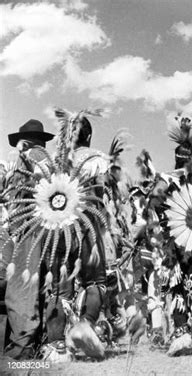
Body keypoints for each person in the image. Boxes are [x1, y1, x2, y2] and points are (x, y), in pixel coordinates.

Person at [43, 113, 109, 361]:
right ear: (89, 136)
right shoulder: (96, 158)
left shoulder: (57, 161)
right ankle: (85, 326)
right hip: (88, 225)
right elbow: (101, 195)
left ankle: (55, 347)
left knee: (59, 289)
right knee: (95, 281)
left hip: (57, 228)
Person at [2, 119, 54, 359]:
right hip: (45, 230)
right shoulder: (48, 160)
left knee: (21, 287)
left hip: (27, 229)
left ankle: (21, 349)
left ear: (24, 142)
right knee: (37, 287)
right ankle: (32, 344)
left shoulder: (29, 158)